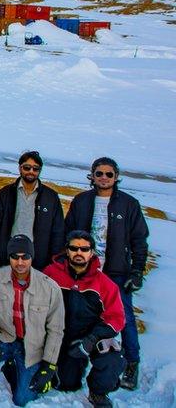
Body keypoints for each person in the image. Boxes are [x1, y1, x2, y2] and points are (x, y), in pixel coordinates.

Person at [65, 157, 149, 390]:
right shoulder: (81, 201)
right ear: (91, 176)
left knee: (124, 318)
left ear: (116, 177)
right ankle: (75, 357)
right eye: (99, 173)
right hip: (83, 269)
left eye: (109, 174)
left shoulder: (128, 204)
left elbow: (139, 240)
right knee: (77, 314)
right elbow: (68, 233)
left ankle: (132, 362)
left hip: (116, 271)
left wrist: (137, 271)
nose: (103, 177)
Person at [0, 235, 65, 406]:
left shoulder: (50, 287)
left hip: (32, 346)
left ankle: (14, 369)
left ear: (31, 257)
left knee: (23, 399)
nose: (20, 262)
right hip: (5, 337)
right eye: (15, 257)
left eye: (25, 257)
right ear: (9, 257)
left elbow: (55, 329)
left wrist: (49, 365)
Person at [43, 231, 125, 408]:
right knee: (66, 384)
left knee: (112, 356)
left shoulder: (104, 284)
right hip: (56, 335)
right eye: (74, 248)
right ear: (67, 251)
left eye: (84, 249)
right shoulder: (51, 273)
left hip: (85, 338)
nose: (79, 252)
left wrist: (92, 339)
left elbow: (116, 318)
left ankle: (98, 392)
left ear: (92, 252)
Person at [0, 151, 65, 271]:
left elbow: (58, 232)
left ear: (40, 170)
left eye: (35, 168)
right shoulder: (5, 193)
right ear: (20, 168)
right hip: (8, 254)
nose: (31, 172)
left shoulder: (51, 197)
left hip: (38, 258)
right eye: (27, 167)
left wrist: (53, 262)